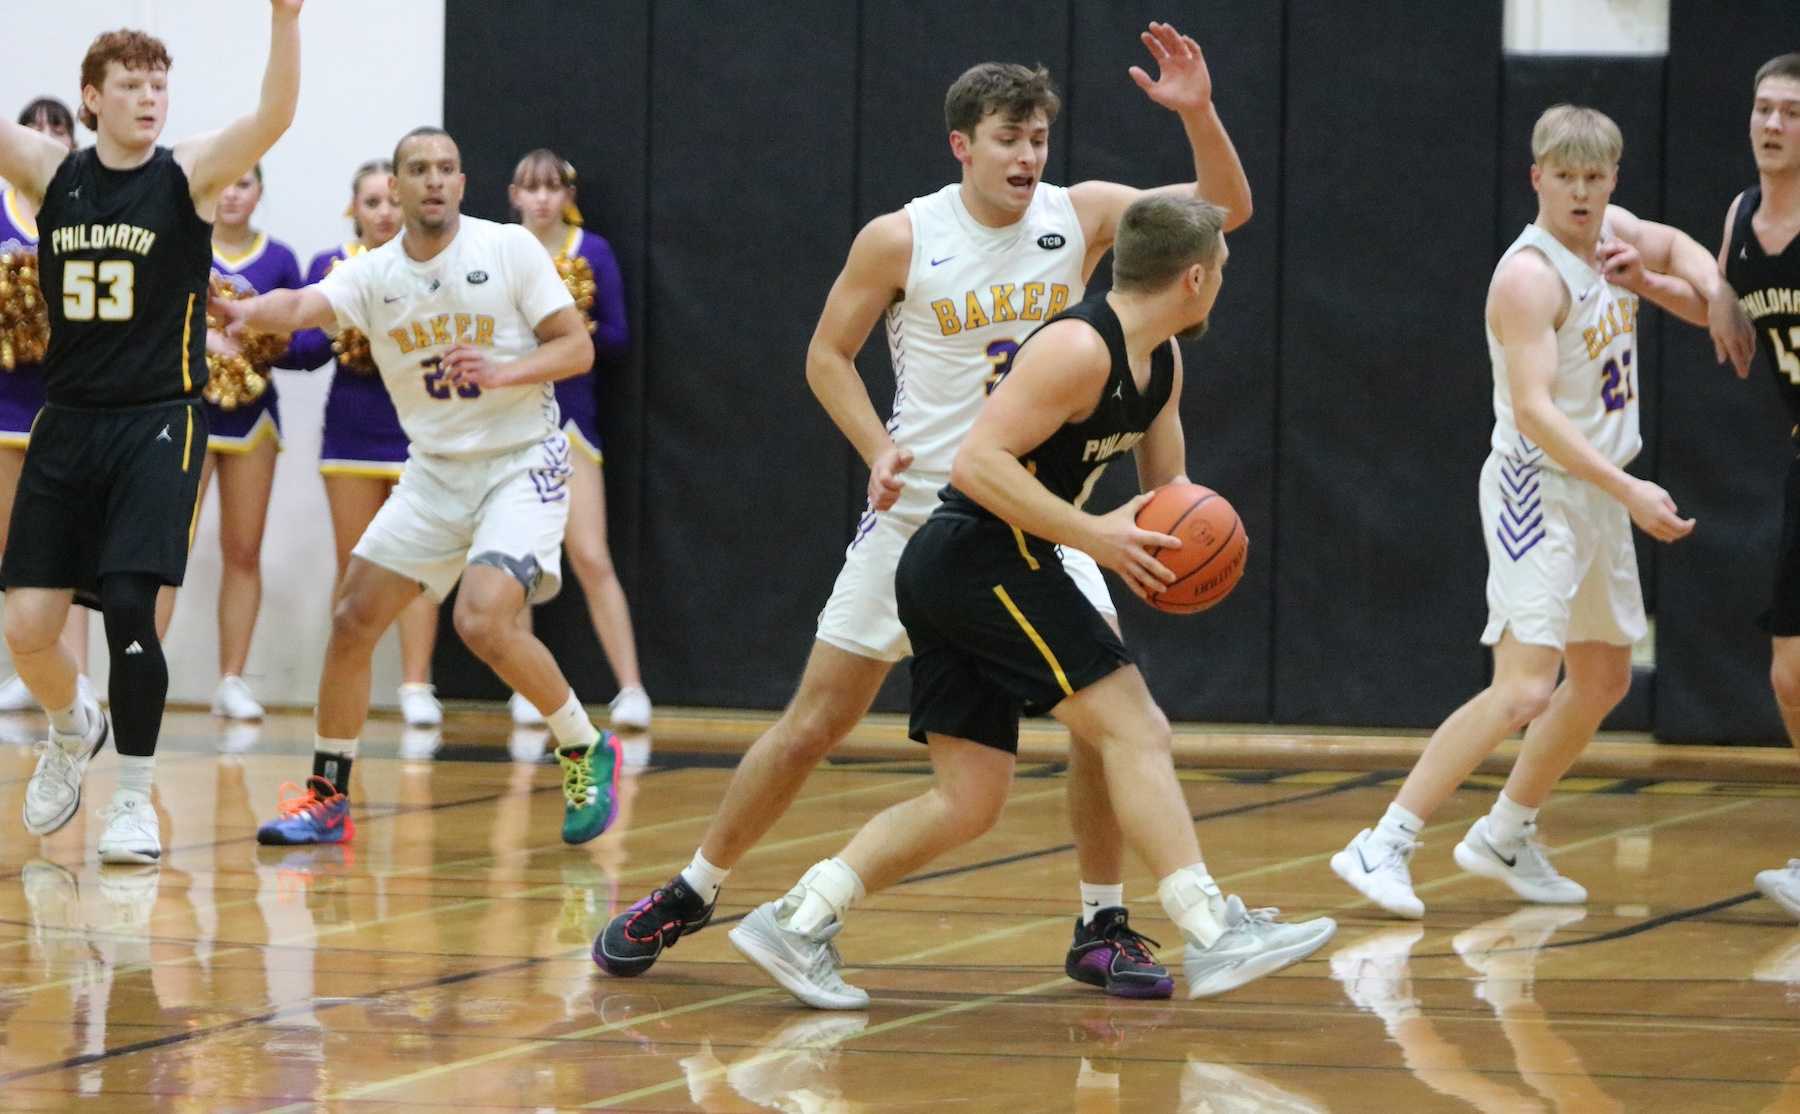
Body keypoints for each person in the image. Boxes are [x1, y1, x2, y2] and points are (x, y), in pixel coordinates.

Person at [599, 24, 1258, 1001]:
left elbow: (1222, 213)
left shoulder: (1084, 217)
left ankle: (1101, 918)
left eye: (1038, 138)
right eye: (1009, 139)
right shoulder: (902, 235)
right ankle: (694, 887)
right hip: (928, 518)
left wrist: (1196, 110)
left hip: (1045, 518)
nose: (1028, 157)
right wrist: (877, 446)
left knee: (1104, 720)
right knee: (817, 719)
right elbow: (827, 354)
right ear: (963, 143)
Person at [729, 194, 1335, 1009]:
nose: (1222, 282)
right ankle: (1214, 931)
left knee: (968, 799)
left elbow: (1168, 489)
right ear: (1195, 277)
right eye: (1221, 271)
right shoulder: (1078, 349)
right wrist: (1094, 536)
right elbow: (976, 464)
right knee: (1136, 727)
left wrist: (1194, 541)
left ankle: (797, 919)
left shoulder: (1163, 361)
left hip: (977, 563)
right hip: (979, 555)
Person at [1330, 105, 1746, 918]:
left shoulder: (1616, 231)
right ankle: (1383, 839)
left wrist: (1712, 289)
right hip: (1539, 486)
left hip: (1598, 486)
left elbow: (1677, 248)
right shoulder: (1529, 277)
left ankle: (1506, 833)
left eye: (1595, 178)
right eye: (1566, 178)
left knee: (1604, 676)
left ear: (1614, 179)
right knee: (1524, 689)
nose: (1583, 195)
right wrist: (1629, 490)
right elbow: (1534, 412)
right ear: (1537, 179)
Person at [209, 126, 624, 848]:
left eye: (447, 168)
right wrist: (246, 314)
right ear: (393, 190)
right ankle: (328, 795)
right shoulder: (373, 274)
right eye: (418, 169)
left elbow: (578, 346)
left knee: (482, 620)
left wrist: (501, 371)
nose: (433, 180)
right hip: (434, 471)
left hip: (521, 461)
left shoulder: (507, 249)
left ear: (462, 184)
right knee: (352, 620)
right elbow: (302, 305)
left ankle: (584, 745)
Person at [0, 5, 303, 864]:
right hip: (67, 422)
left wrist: (285, 21)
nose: (148, 98)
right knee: (26, 627)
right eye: (130, 85)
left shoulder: (190, 173)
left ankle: (131, 798)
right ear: (90, 97)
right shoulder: (51, 169)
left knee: (133, 607)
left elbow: (275, 116)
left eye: (158, 85)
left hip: (159, 421)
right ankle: (73, 723)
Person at [284, 158, 443, 728]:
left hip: (415, 433)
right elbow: (302, 353)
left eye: (391, 200)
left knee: (418, 563)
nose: (383, 212)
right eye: (371, 202)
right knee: (354, 565)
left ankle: (416, 685)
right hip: (349, 432)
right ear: (354, 210)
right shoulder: (333, 268)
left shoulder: (433, 268)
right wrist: (250, 338)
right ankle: (346, 678)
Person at [505, 149, 651, 732]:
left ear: (568, 195)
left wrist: (565, 328)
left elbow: (616, 337)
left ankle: (631, 688)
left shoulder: (591, 253)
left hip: (572, 421)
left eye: (552, 188)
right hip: (508, 422)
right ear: (512, 194)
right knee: (513, 560)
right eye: (530, 188)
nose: (541, 199)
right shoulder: (496, 248)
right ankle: (527, 688)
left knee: (590, 555)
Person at [1709, 54, 1800, 922]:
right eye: (1763, 107)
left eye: (1792, 113)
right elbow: (1737, 327)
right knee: (1791, 675)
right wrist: (1685, 287)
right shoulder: (1740, 216)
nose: (1772, 124)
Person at [198, 162, 303, 720]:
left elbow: (308, 347)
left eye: (243, 183)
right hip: (184, 411)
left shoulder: (280, 258)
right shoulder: (181, 244)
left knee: (243, 549)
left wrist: (266, 340)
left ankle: (232, 679)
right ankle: (141, 668)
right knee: (166, 549)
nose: (232, 195)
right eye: (223, 183)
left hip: (254, 418)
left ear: (260, 190)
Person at [0, 97, 90, 714]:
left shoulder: (87, 203)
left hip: (74, 399)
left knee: (74, 546)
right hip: (8, 400)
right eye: (36, 125)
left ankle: (77, 676)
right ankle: (28, 671)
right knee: (15, 546)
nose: (47, 134)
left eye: (59, 125)